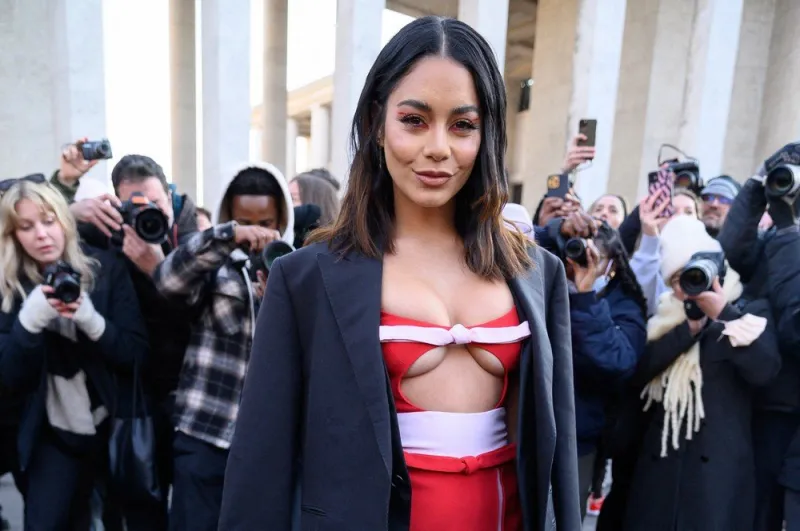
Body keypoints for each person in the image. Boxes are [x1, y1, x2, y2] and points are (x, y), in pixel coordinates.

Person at [219, 16, 580, 531]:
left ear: (487, 133)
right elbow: (260, 468)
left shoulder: (536, 272)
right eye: (414, 119)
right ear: (376, 122)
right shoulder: (306, 280)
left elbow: (557, 459)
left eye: (462, 125)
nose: (438, 147)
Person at [152, 161, 294, 530]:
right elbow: (166, 281)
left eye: (266, 222)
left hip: (267, 445)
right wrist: (228, 236)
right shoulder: (213, 264)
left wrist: (278, 300)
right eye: (246, 221)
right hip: (205, 432)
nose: (258, 232)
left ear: (282, 218)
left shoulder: (298, 270)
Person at [0, 178, 148, 529]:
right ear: (13, 235)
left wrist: (92, 321)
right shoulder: (10, 287)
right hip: (47, 430)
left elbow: (135, 354)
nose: (41, 235)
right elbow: (7, 380)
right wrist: (29, 323)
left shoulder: (105, 269)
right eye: (27, 227)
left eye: (48, 221)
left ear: (65, 221)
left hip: (111, 422)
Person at [624, 215, 780, 530]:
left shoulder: (749, 311)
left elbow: (766, 370)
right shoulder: (664, 317)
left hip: (717, 478)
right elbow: (638, 372)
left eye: (694, 272)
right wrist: (689, 328)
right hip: (660, 472)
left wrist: (724, 315)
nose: (688, 285)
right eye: (678, 278)